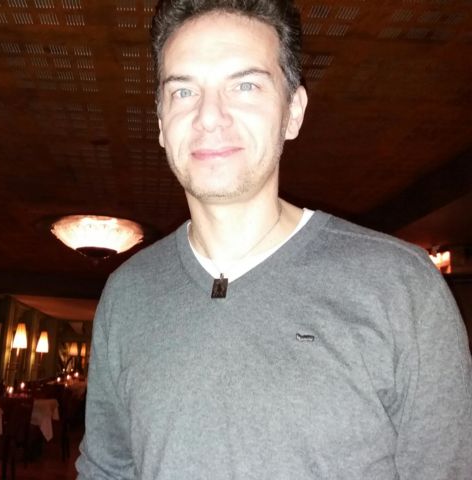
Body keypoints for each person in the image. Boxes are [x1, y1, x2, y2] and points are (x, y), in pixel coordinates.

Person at [76, 1, 472, 479]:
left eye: (245, 85)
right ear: (161, 124)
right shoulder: (127, 294)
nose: (209, 116)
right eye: (183, 91)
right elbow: (107, 470)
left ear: (293, 113)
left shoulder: (402, 287)